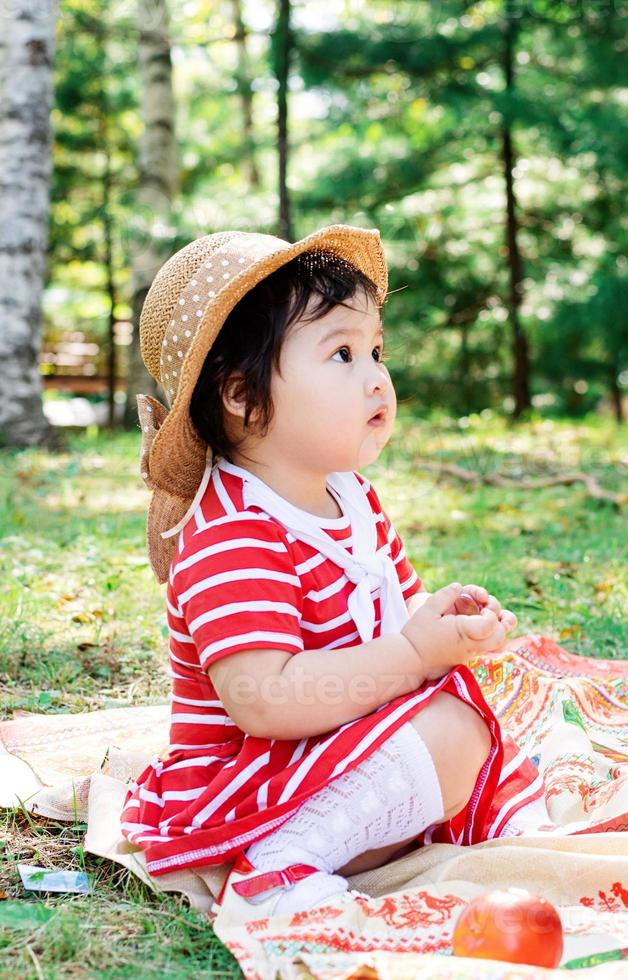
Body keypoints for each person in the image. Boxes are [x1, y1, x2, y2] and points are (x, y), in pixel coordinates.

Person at [120, 225, 525, 924]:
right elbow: (263, 701)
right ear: (244, 397)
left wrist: (443, 622)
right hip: (247, 782)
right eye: (341, 353)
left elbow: (396, 614)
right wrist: (413, 656)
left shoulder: (353, 498)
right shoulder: (234, 533)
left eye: (375, 351)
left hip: (332, 749)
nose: (376, 377)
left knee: (481, 699)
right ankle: (273, 870)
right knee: (450, 731)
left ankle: (488, 816)